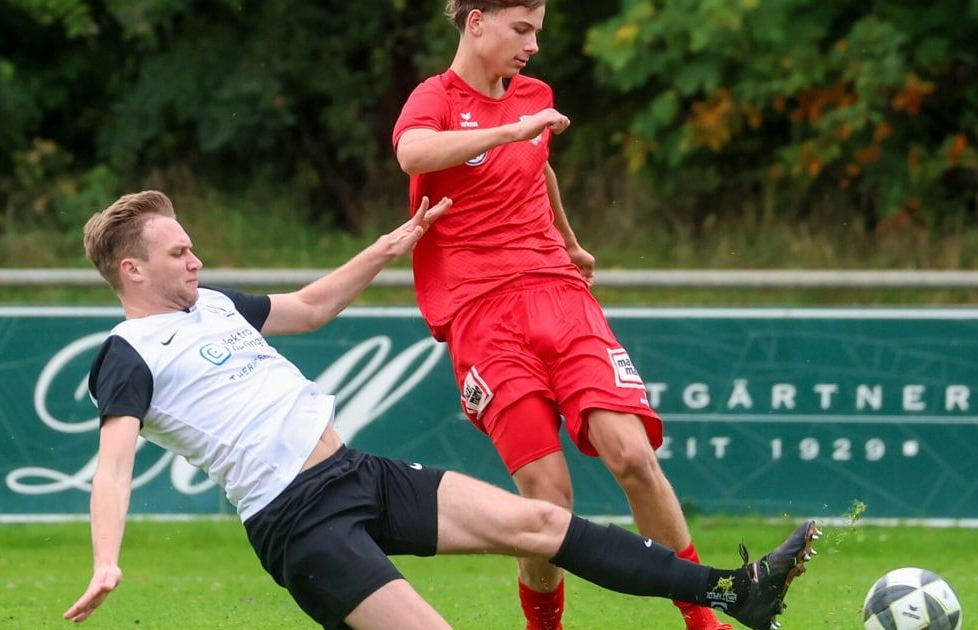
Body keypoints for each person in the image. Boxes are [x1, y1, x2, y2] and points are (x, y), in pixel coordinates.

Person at [63, 190, 821, 630]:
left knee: (541, 524)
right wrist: (106, 560)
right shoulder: (128, 353)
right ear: (132, 270)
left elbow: (311, 307)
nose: (196, 261)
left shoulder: (216, 306)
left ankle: (735, 592)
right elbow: (115, 467)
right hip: (298, 523)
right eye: (179, 255)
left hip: (358, 474)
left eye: (193, 249)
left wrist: (386, 248)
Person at [392, 2, 747, 629]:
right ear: (476, 22)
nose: (532, 46)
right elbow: (414, 154)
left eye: (537, 32)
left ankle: (704, 621)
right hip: (481, 314)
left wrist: (570, 237)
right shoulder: (435, 98)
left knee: (633, 459)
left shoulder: (534, 95)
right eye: (520, 30)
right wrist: (508, 130)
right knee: (548, 498)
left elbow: (539, 165)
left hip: (559, 293)